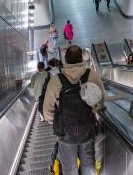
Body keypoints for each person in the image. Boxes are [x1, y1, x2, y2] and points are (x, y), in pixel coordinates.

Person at [43, 45, 105, 175]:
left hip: (65, 134)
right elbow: (101, 101)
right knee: (88, 166)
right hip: (87, 130)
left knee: (69, 169)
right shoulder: (92, 76)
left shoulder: (56, 81)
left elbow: (47, 112)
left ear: (65, 59)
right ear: (81, 58)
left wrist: (58, 122)